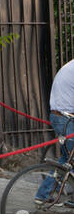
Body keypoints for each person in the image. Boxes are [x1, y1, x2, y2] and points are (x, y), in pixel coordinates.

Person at [36, 57, 74, 200]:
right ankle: (45, 194)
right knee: (69, 158)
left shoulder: (69, 66)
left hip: (60, 116)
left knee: (66, 159)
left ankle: (46, 194)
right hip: (66, 118)